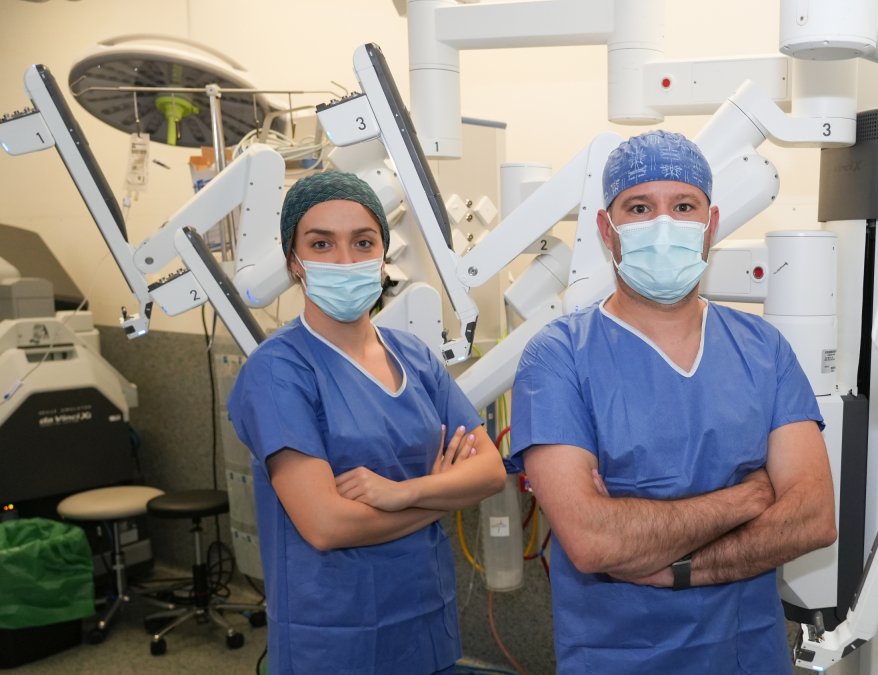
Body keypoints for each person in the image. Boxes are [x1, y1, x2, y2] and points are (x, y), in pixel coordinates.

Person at [509, 130, 837, 673]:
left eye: (683, 206)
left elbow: (813, 519)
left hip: (747, 654)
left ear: (710, 225)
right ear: (606, 230)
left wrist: (669, 564)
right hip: (620, 657)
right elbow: (592, 542)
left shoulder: (762, 348)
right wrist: (748, 498)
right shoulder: (558, 357)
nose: (663, 225)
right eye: (639, 207)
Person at [228, 171, 506, 675]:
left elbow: (489, 474)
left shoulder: (415, 357)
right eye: (321, 244)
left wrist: (403, 493)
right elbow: (326, 526)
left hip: (426, 617)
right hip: (334, 633)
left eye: (362, 242)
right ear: (295, 263)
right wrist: (441, 495)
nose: (345, 260)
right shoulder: (278, 372)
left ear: (383, 255)